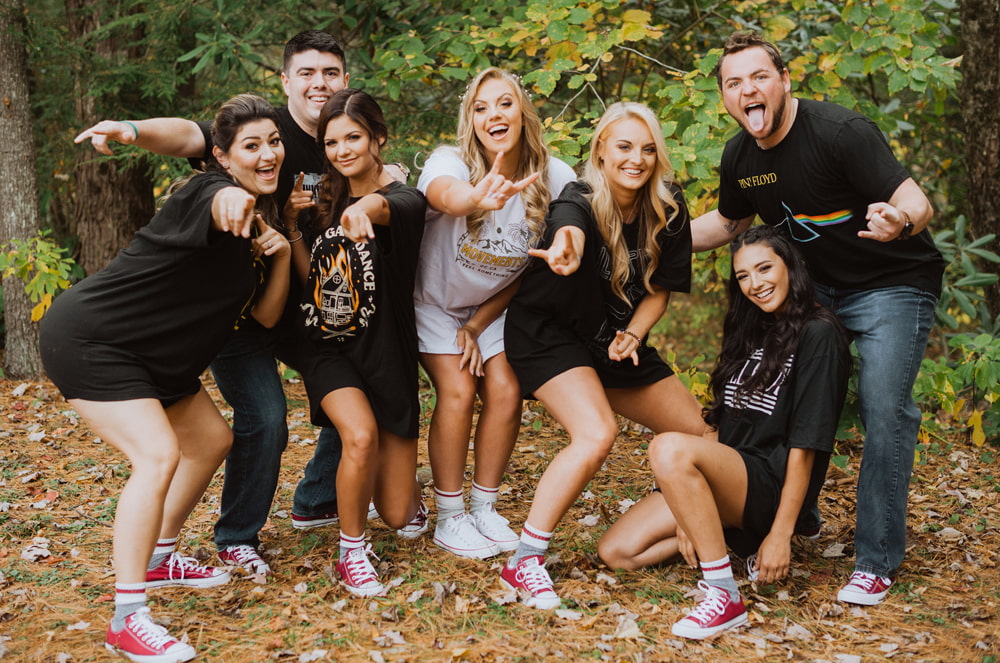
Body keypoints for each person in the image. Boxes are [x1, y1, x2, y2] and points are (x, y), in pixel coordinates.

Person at [72, 31, 389, 576]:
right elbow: (188, 139)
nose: (320, 83)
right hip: (235, 314)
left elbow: (380, 185)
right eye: (307, 73)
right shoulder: (264, 128)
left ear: (345, 79)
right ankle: (237, 536)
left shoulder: (343, 134)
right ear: (286, 79)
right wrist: (131, 130)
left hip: (300, 305)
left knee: (358, 390)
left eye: (331, 73)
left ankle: (315, 500)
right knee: (265, 417)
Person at [691, 31, 945, 606]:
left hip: (891, 284)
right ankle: (792, 516)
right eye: (733, 83)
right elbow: (728, 226)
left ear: (783, 80)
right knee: (783, 396)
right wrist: (658, 241)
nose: (747, 90)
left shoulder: (840, 133)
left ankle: (875, 561)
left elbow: (918, 202)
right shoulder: (741, 156)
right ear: (726, 99)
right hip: (818, 289)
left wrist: (897, 220)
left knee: (885, 408)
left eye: (758, 77)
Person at [41, 94, 291, 662]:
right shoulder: (212, 192)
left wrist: (275, 254)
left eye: (272, 142)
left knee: (210, 440)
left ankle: (158, 558)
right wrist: (230, 196)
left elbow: (267, 318)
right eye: (250, 147)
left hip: (155, 356)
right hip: (94, 340)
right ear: (223, 157)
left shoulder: (258, 207)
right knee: (157, 455)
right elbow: (215, 188)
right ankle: (127, 619)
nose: (268, 153)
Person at [498, 101, 708, 609]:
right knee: (596, 433)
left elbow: (658, 290)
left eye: (648, 149)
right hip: (549, 333)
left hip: (615, 337)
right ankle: (524, 562)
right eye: (624, 146)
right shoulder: (579, 198)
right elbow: (568, 226)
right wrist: (566, 247)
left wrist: (634, 334)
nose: (636, 159)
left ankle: (694, 520)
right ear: (601, 150)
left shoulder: (669, 206)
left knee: (705, 436)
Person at [598, 225, 851, 639]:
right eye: (743, 276)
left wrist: (781, 534)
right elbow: (719, 422)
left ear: (791, 266)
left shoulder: (819, 334)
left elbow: (806, 447)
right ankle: (728, 546)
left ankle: (722, 593)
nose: (756, 284)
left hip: (769, 482)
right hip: (727, 477)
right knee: (618, 551)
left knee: (668, 448)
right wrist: (689, 512)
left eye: (765, 268)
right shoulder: (750, 327)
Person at [415, 67, 576, 559]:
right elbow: (441, 192)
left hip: (490, 307)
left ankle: (483, 507)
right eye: (481, 107)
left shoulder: (555, 175)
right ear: (471, 119)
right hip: (434, 302)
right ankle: (449, 515)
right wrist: (474, 197)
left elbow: (534, 265)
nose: (493, 115)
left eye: (504, 103)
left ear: (522, 111)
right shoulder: (452, 162)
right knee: (460, 390)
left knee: (506, 389)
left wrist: (479, 324)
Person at [288, 88, 427, 596]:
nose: (342, 150)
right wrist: (291, 228)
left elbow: (387, 205)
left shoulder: (408, 198)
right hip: (329, 346)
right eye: (331, 141)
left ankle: (390, 490)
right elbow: (314, 285)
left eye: (354, 138)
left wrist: (362, 208)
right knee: (360, 435)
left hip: (388, 350)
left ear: (378, 138)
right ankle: (351, 551)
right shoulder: (320, 196)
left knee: (399, 513)